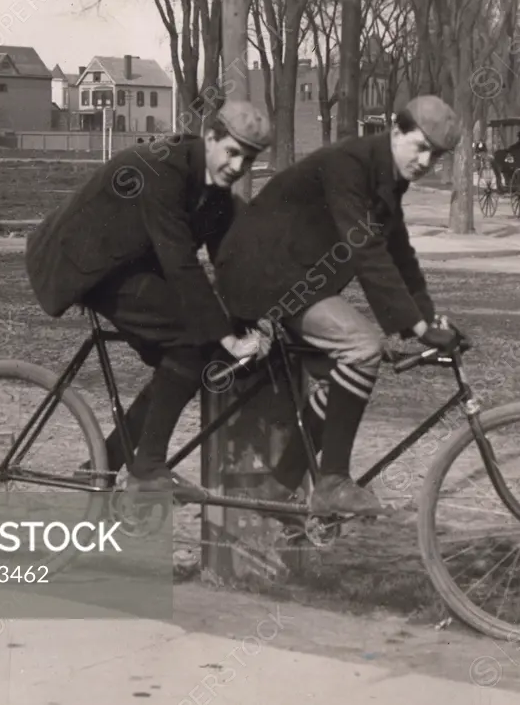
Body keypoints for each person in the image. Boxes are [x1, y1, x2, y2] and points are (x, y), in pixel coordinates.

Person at [214, 96, 469, 518]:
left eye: (436, 155)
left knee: (345, 375)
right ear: (395, 130)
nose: (426, 161)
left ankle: (280, 484)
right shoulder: (350, 164)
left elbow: (398, 251)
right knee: (363, 346)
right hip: (260, 273)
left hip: (293, 275)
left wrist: (427, 317)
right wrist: (419, 329)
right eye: (421, 147)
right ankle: (331, 481)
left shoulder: (386, 174)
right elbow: (366, 248)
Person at [24, 101, 274, 501]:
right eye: (232, 152)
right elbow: (179, 264)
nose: (238, 166)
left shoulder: (215, 191)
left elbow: (228, 261)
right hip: (83, 263)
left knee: (187, 358)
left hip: (128, 260)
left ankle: (106, 459)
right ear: (210, 138)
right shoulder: (166, 170)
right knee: (191, 342)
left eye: (249, 159)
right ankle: (148, 469)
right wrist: (227, 338)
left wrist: (251, 322)